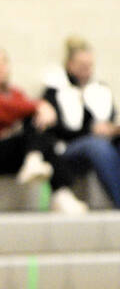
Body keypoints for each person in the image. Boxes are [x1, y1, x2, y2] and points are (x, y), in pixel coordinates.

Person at [43, 37, 120, 209]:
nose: (86, 70)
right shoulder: (55, 90)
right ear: (70, 64)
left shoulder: (100, 88)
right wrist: (90, 131)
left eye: (89, 65)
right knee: (98, 147)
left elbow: (112, 116)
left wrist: (116, 128)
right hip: (70, 147)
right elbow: (54, 128)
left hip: (101, 140)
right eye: (81, 65)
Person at [0, 47, 61, 196]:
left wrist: (39, 109)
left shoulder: (15, 92)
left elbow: (21, 110)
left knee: (39, 127)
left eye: (3, 63)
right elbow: (10, 110)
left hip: (12, 149)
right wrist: (41, 105)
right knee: (34, 118)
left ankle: (34, 160)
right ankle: (34, 160)